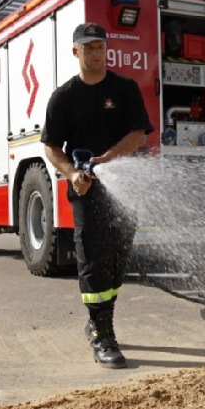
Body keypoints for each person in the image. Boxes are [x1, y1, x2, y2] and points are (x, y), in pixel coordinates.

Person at [41, 22, 153, 368]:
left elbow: (139, 135)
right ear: (76, 52)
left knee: (117, 258)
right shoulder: (63, 97)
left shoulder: (124, 89)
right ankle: (103, 335)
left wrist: (108, 158)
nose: (96, 53)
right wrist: (74, 173)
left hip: (122, 188)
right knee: (92, 255)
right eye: (88, 48)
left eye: (100, 47)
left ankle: (96, 321)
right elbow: (50, 147)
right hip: (85, 189)